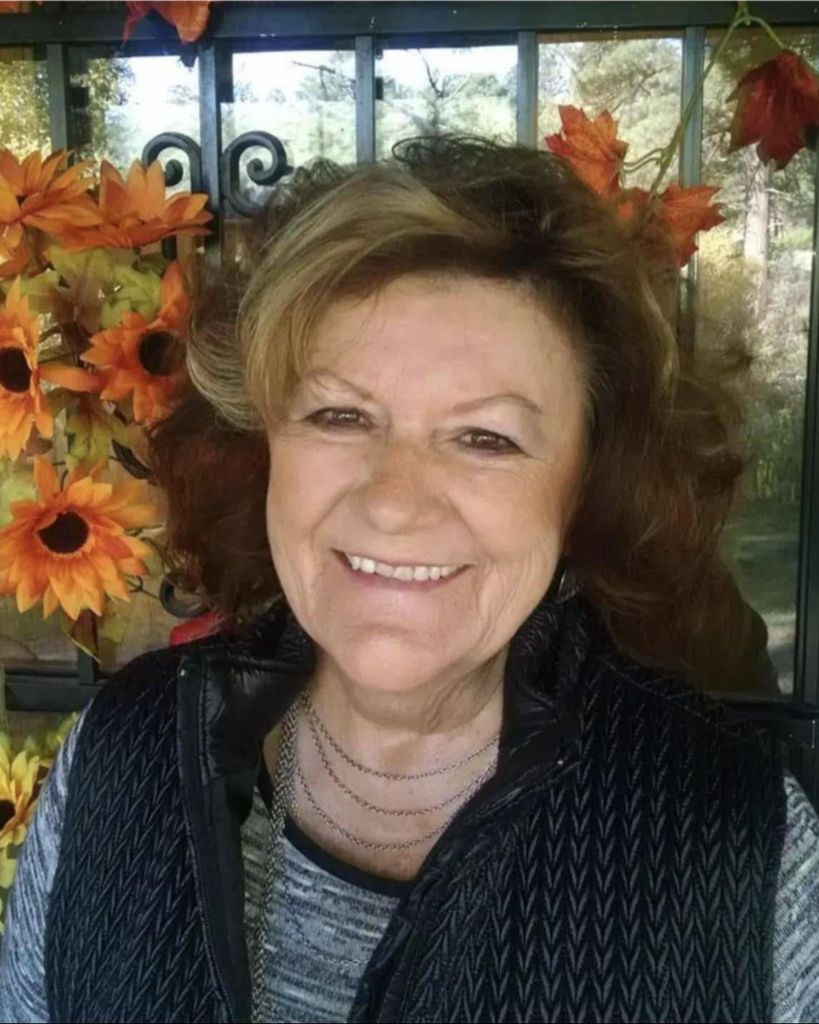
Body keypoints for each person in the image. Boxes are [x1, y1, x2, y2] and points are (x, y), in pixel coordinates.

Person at [1, 135, 818, 1024]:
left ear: (585, 485)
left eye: (486, 438)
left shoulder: (743, 841)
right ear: (263, 446)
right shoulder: (123, 751)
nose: (392, 502)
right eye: (339, 415)